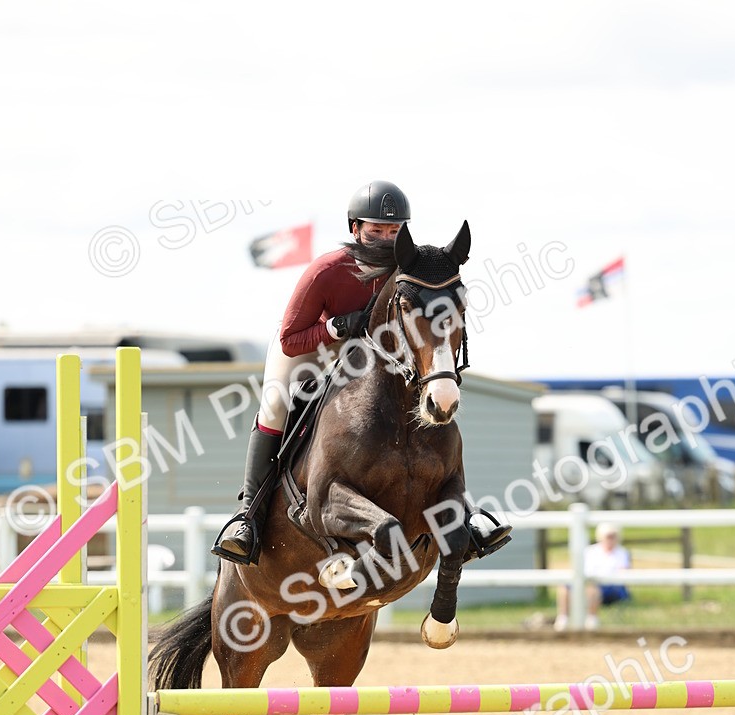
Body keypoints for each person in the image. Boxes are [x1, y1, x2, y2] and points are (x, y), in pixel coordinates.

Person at [212, 180, 512, 565]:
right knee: (275, 404)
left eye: (394, 231)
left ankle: (464, 514)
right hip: (316, 346)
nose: (386, 239)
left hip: (379, 354)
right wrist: (337, 327)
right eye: (376, 230)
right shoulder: (327, 270)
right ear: (355, 228)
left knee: (433, 394)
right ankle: (248, 517)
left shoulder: (410, 267)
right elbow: (291, 339)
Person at [554, 521, 631, 631]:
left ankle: (592, 620)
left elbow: (623, 574)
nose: (610, 539)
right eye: (608, 536)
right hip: (588, 584)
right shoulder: (590, 551)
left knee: (592, 587)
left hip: (612, 588)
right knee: (565, 587)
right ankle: (563, 618)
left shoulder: (622, 552)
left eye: (613, 536)